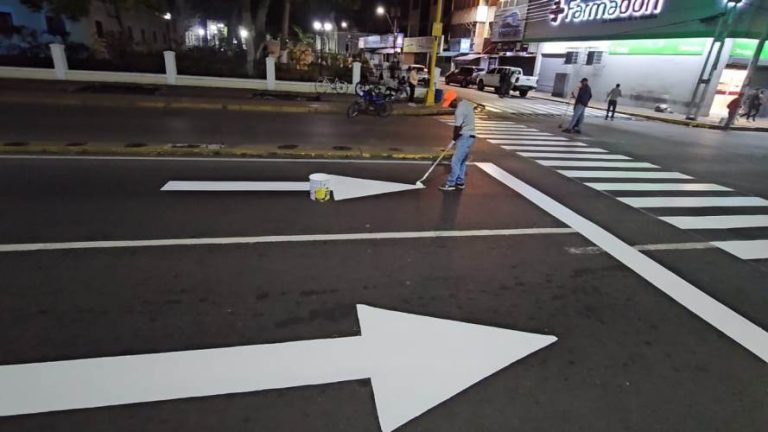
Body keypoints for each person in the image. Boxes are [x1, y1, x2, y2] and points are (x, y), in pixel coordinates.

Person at [440, 98, 476, 191]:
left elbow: (457, 128)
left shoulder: (459, 111)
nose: (449, 106)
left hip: (464, 136)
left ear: (454, 100)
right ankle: (460, 182)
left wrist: (453, 140)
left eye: (450, 104)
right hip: (471, 136)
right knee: (462, 161)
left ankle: (450, 183)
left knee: (455, 161)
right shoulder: (467, 104)